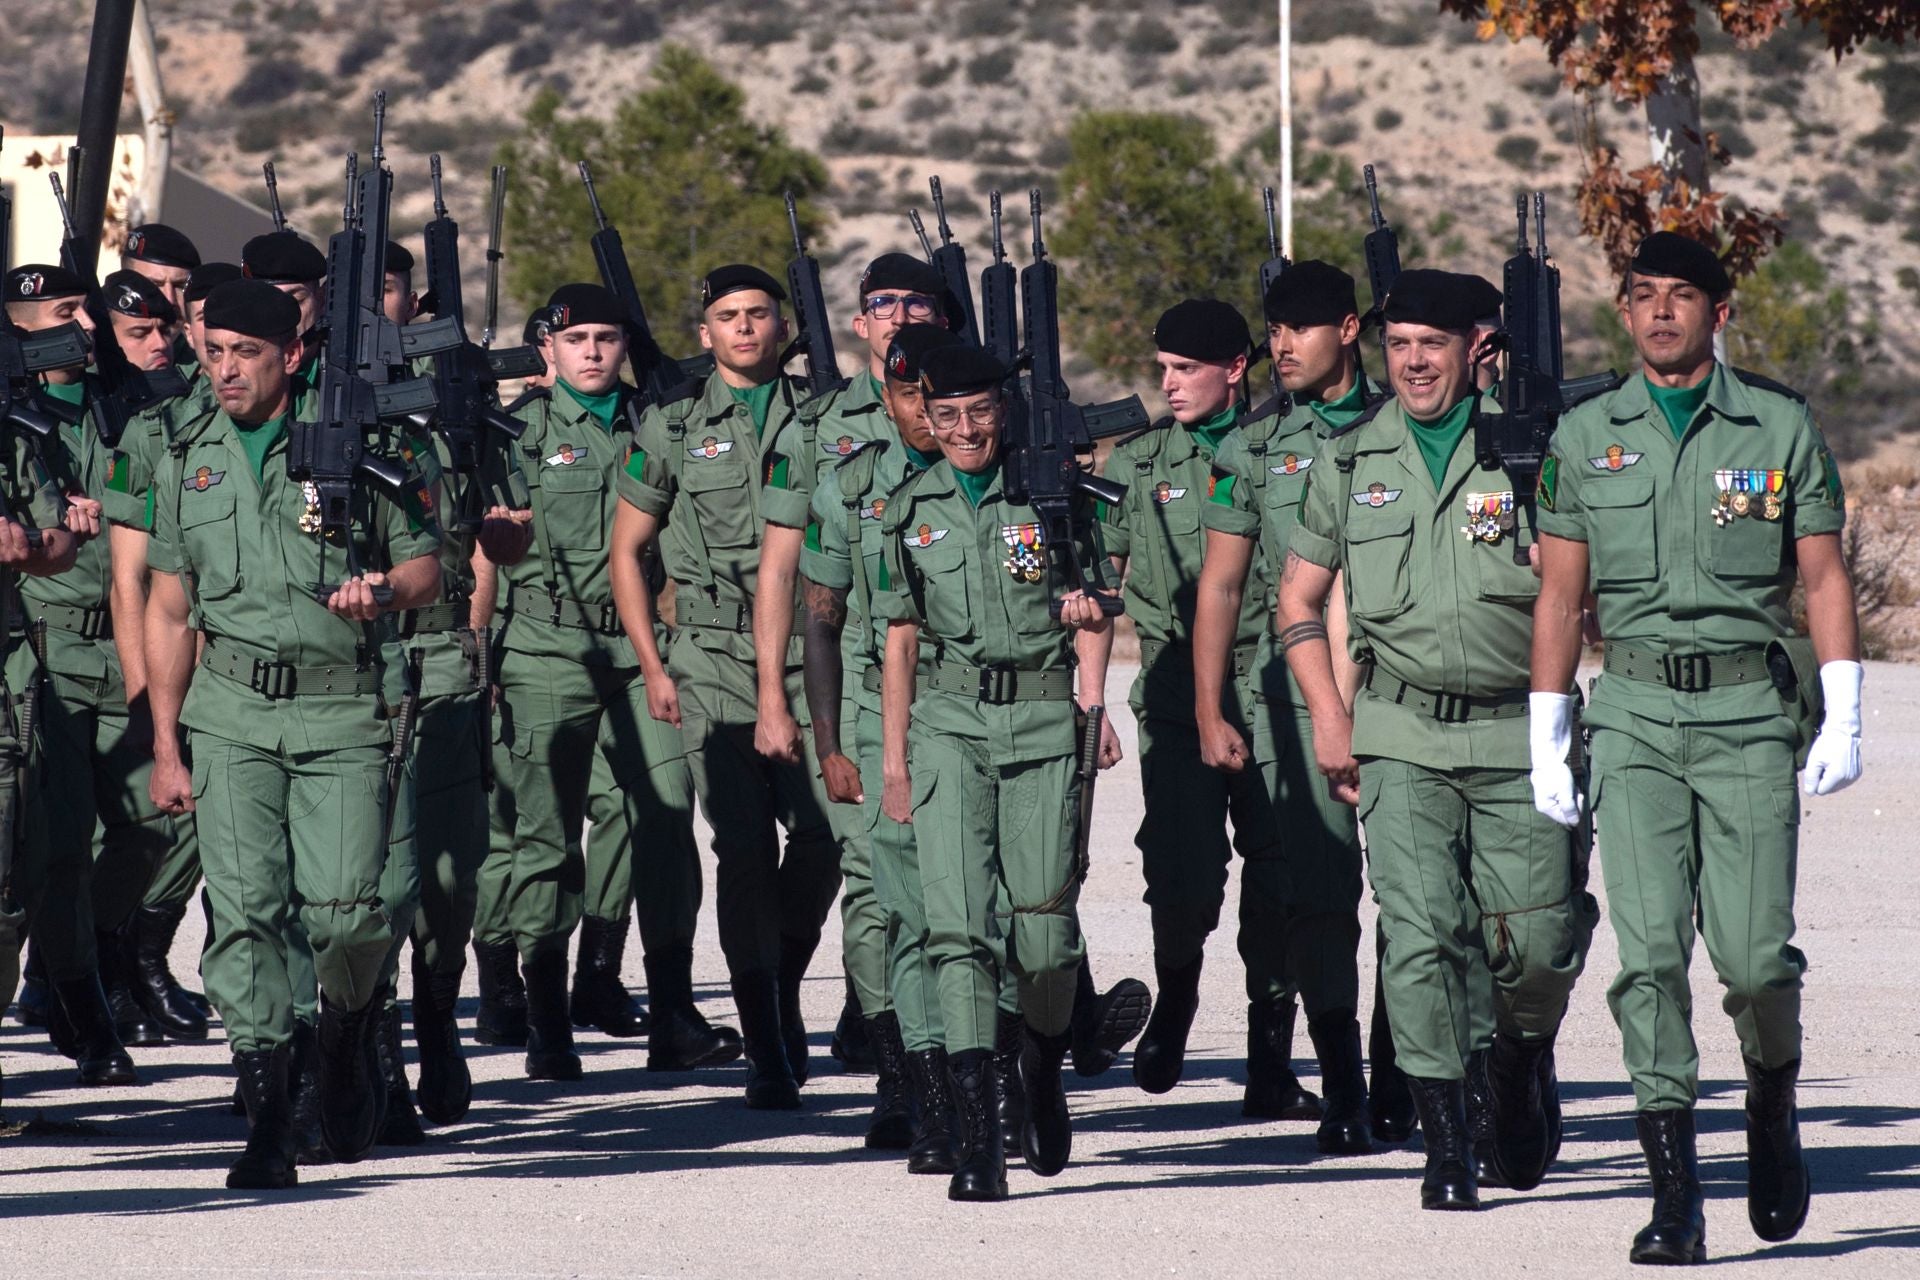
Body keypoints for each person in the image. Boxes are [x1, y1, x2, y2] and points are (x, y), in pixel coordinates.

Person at [1530, 231, 1859, 1265]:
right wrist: (1548, 727)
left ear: (1720, 312)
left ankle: (1771, 1097)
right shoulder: (1585, 435)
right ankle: (1676, 1192)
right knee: (1651, 957)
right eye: (1643, 295)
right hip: (1630, 714)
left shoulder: (1778, 425)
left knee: (1757, 958)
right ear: (1623, 312)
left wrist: (1843, 706)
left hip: (1748, 716)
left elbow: (1822, 575)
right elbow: (1560, 593)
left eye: (1682, 295)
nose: (1661, 310)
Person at [1278, 269, 1588, 1212]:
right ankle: (1448, 1144)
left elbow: (1593, 600)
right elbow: (1298, 598)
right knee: (1420, 938)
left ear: (1477, 350)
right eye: (1399, 343)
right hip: (1401, 731)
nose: (1412, 362)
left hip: (1519, 728)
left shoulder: (1538, 449)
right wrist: (1332, 715)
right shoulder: (1351, 458)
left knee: (1535, 945)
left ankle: (1521, 1060)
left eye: (1433, 345)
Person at [145, 278, 441, 1187]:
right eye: (216, 350)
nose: (226, 369)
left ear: (293, 356)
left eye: (247, 353)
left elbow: (430, 566)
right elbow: (167, 605)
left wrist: (383, 592)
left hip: (343, 707)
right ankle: (269, 1114)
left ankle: (347, 1036)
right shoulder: (183, 453)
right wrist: (165, 740)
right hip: (229, 711)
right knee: (243, 916)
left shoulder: (365, 444)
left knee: (349, 914)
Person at [877, 344, 1121, 1201]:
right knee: (957, 932)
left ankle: (1043, 1066)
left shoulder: (1050, 491)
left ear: (1002, 412)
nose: (965, 430)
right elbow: (899, 639)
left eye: (978, 412)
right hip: (947, 724)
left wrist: (1094, 707)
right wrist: (897, 760)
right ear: (925, 420)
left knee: (1045, 935)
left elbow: (1096, 605)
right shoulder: (910, 509)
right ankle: (980, 1143)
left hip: (1045, 720)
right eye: (945, 417)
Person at [1108, 292, 1353, 1146]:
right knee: (1182, 877)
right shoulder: (1137, 463)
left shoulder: (1287, 453)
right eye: (1163, 369)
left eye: (1186, 369)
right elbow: (1098, 581)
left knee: (1282, 879)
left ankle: (1269, 1064)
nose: (1169, 384)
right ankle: (1175, 993)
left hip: (1280, 687)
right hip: (1180, 699)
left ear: (1233, 370)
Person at [480, 282, 737, 1084]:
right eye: (576, 338)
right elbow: (491, 553)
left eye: (607, 337)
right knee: (546, 837)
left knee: (665, 818)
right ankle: (548, 1022)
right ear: (546, 351)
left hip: (637, 650)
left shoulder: (658, 422)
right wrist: (480, 650)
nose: (593, 351)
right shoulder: (516, 433)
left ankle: (671, 1012)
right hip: (545, 646)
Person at [613, 265, 844, 1109]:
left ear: (782, 327)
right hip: (711, 656)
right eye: (726, 317)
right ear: (704, 334)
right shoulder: (673, 425)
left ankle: (782, 981)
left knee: (827, 834)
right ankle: (765, 1041)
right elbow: (627, 553)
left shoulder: (826, 415)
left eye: (757, 314)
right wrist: (652, 661)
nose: (744, 328)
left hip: (810, 653)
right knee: (744, 849)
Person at [1196, 263, 1408, 1144]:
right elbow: (1220, 585)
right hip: (1291, 696)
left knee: (1414, 896)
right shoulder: (1249, 447)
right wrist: (1210, 708)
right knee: (1319, 896)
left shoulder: (1408, 429)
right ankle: (1345, 1086)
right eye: (1273, 330)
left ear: (1348, 329)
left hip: (1400, 690)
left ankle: (1404, 1073)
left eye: (1301, 329)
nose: (1281, 345)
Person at [754, 251, 948, 1074]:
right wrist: (776, 695)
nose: (899, 313)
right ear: (861, 321)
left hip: (963, 683)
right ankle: (896, 1053)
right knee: (872, 878)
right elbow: (784, 572)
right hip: (864, 682)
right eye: (882, 302)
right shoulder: (820, 428)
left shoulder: (977, 420)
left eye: (917, 301)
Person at [796, 322, 961, 1162]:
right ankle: (907, 1080)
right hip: (868, 711)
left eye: (935, 396)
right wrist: (828, 741)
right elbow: (819, 626)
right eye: (906, 396)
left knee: (973, 903)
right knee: (886, 903)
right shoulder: (848, 488)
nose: (926, 415)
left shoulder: (997, 478)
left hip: (969, 708)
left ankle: (985, 1073)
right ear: (887, 397)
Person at [3, 263, 144, 1080]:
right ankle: (79, 1004)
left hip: (118, 641)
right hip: (44, 647)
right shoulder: (18, 419)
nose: (86, 328)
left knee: (152, 825)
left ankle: (88, 959)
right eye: (66, 314)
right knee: (47, 843)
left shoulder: (112, 403)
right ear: (25, 330)